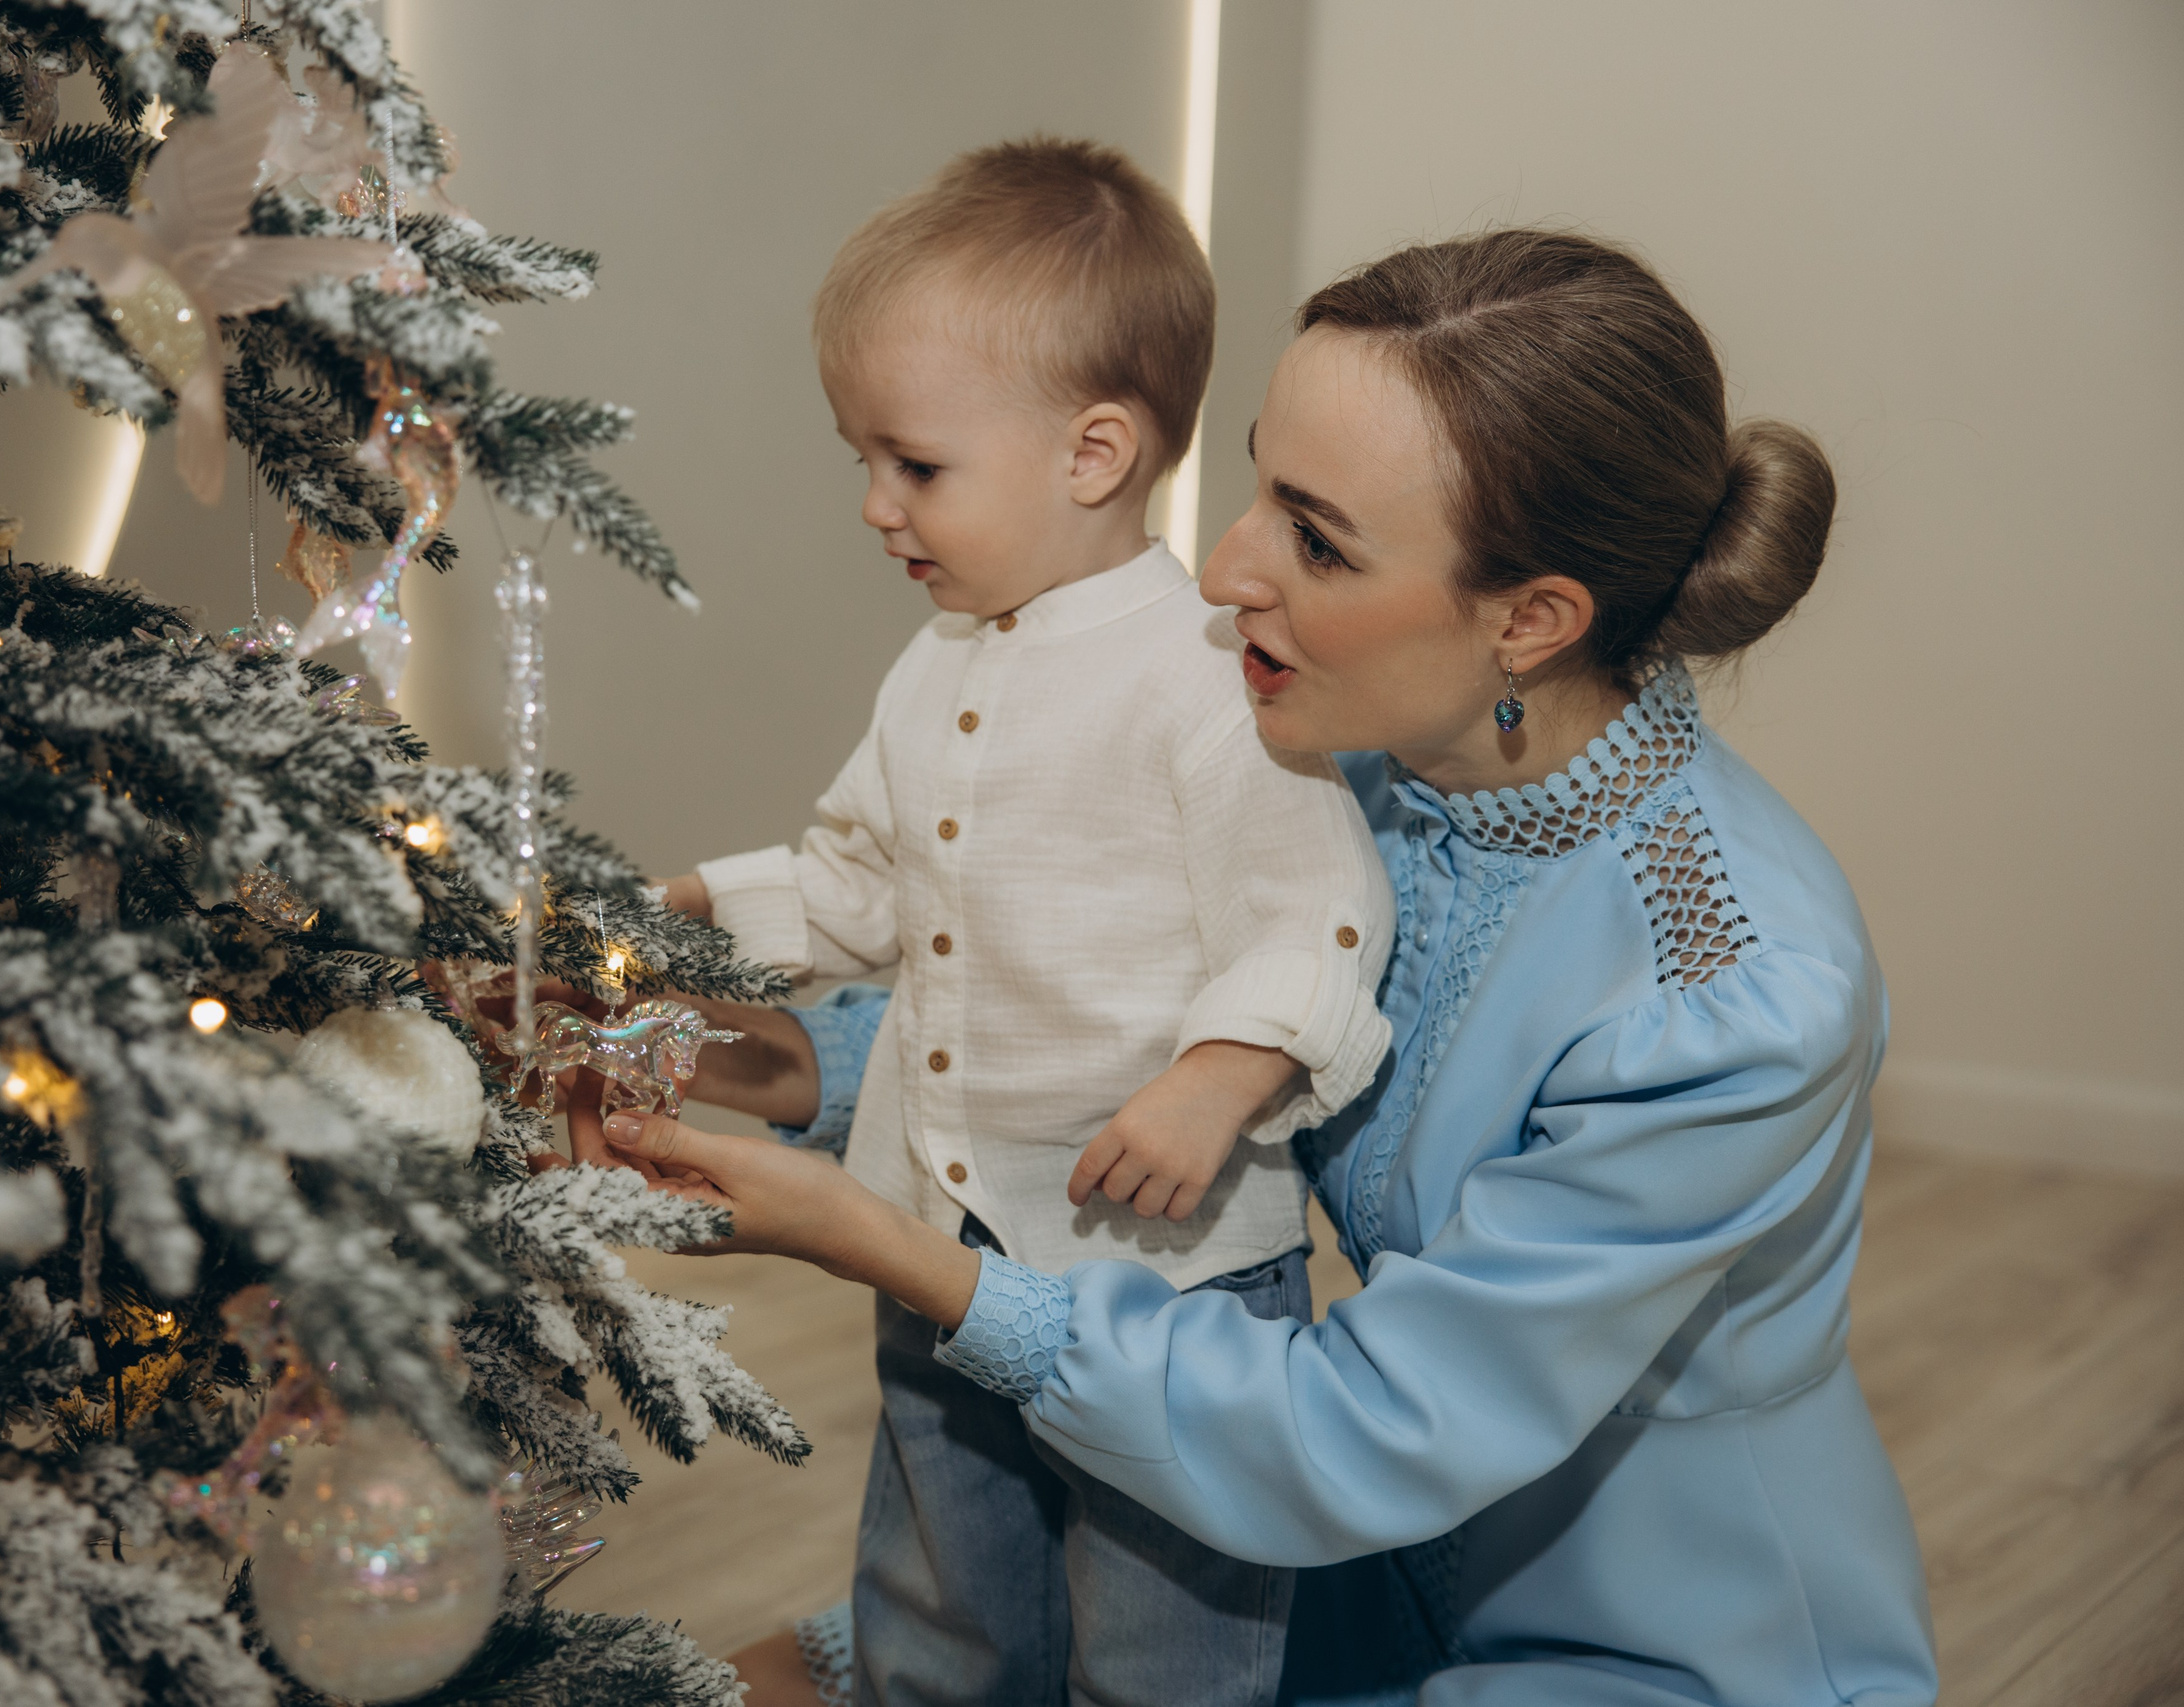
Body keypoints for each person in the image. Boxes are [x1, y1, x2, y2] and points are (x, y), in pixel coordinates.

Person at [593, 229, 1941, 1706]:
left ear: (1531, 621)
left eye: (1318, 541)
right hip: (1307, 1551)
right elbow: (1079, 1029)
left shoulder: (1735, 995)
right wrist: (673, 1034)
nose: (1225, 570)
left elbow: (1364, 1427)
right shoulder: (1341, 768)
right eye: (1255, 487)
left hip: (1621, 1642)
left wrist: (880, 1245)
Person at [635, 139, 1397, 1707]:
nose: (875, 506)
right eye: (862, 460)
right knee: (944, 1598)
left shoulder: (1208, 679)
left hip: (1167, 1281)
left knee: (1167, 1632)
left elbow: (1321, 915)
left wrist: (1218, 1081)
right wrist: (681, 917)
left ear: (1093, 452)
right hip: (939, 1244)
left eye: (914, 466)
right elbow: (859, 884)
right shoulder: (937, 667)